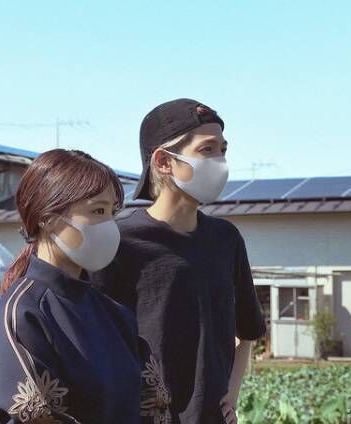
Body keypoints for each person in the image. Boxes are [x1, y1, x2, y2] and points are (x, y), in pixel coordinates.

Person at [87, 99, 267, 424]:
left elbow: (248, 330)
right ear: (164, 161)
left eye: (223, 150)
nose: (220, 162)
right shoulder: (119, 242)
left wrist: (232, 393)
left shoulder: (226, 239)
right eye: (207, 150)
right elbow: (91, 342)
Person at [0, 149, 171, 423]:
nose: (110, 225)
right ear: (47, 217)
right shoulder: (23, 316)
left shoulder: (114, 314)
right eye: (97, 211)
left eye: (112, 212)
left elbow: (152, 405)